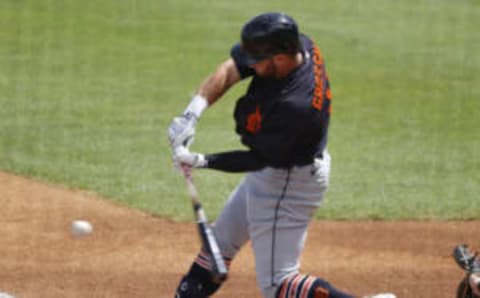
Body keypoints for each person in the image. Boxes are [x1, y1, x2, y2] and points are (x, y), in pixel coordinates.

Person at [168, 12, 395, 298]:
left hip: (288, 181)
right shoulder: (300, 44)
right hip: (278, 167)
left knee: (279, 284)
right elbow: (231, 69)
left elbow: (260, 159)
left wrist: (202, 161)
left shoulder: (296, 107)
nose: (250, 66)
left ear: (280, 58)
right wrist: (191, 114)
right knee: (218, 246)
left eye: (257, 61)